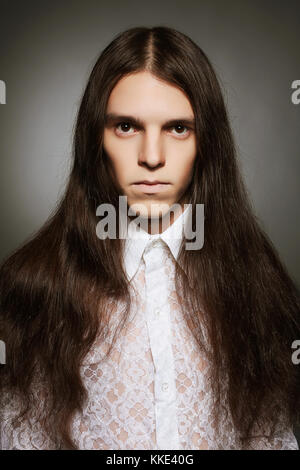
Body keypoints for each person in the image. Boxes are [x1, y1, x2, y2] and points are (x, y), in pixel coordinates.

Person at [0, 25, 299, 450]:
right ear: (95, 140)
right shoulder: (34, 286)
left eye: (178, 128)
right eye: (126, 126)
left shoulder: (258, 284)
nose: (152, 157)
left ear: (207, 143)